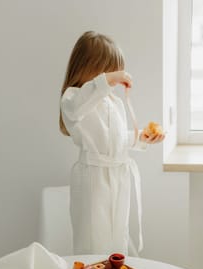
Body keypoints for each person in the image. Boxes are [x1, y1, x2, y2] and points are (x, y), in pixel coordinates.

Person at [59, 31, 164, 255]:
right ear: (92, 68)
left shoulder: (112, 102)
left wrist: (140, 137)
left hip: (118, 174)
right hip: (93, 178)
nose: (113, 81)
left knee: (118, 235)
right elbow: (78, 107)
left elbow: (114, 140)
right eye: (109, 73)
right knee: (93, 237)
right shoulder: (73, 98)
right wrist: (106, 81)